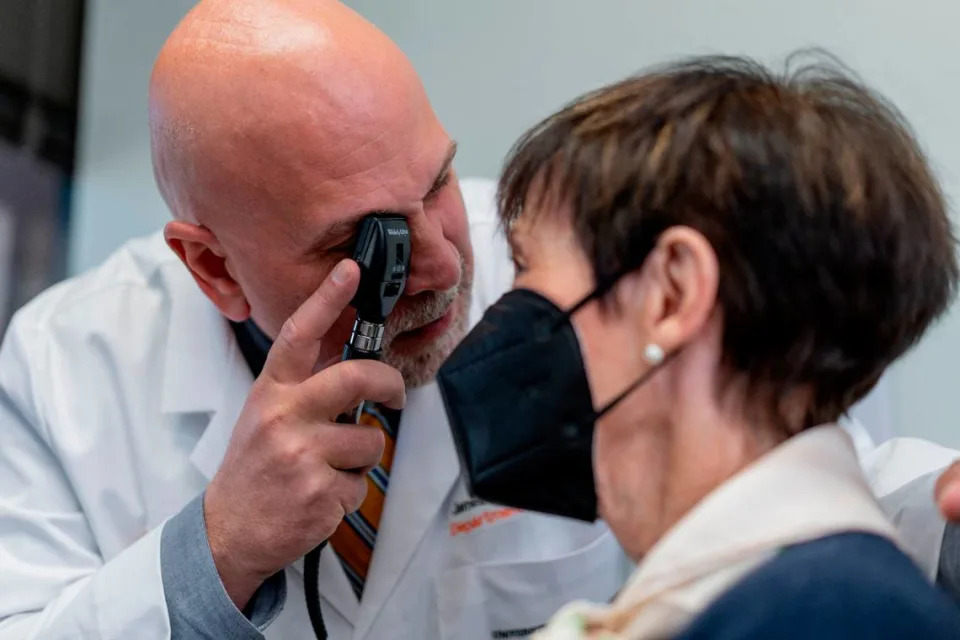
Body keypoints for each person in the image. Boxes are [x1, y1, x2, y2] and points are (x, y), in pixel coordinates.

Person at [0, 0, 957, 637]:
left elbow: (782, 466)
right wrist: (215, 552)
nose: (449, 262)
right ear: (214, 267)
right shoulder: (69, 364)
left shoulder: (549, 257)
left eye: (437, 182)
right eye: (363, 240)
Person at [436, 55, 960, 639]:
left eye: (526, 265)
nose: (506, 311)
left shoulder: (827, 616)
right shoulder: (747, 600)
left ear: (672, 294)